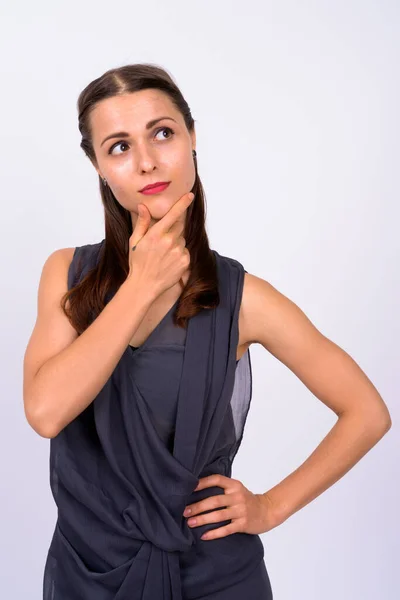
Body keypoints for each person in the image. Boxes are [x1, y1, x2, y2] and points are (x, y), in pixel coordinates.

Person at [23, 63, 392, 600]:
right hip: (88, 573)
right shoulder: (67, 273)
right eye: (119, 147)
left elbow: (368, 412)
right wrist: (140, 286)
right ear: (99, 167)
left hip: (216, 577)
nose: (147, 160)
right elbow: (45, 411)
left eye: (163, 133)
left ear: (192, 138)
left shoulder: (244, 299)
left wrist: (270, 506)